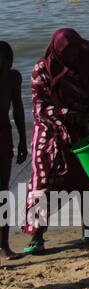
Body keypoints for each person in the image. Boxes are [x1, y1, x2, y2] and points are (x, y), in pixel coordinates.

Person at [22, 29, 89, 252]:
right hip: (51, 135)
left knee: (85, 182)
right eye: (67, 51)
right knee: (43, 183)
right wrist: (69, 114)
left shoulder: (87, 62)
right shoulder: (43, 69)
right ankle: (37, 234)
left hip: (81, 132)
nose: (72, 56)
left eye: (75, 50)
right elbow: (40, 107)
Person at [0, 42, 27, 258]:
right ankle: (4, 246)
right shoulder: (11, 77)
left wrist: (23, 142)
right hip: (4, 137)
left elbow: (18, 109)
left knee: (3, 192)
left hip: (4, 137)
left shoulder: (12, 78)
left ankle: (4, 244)